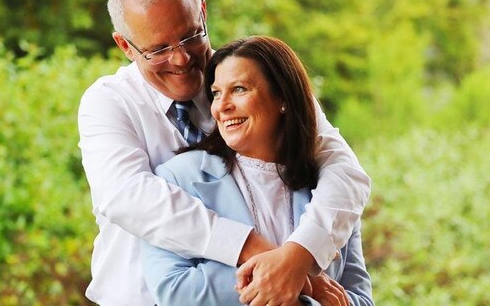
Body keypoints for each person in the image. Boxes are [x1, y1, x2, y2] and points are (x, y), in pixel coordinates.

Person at [78, 0, 371, 306]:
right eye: (158, 49)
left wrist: (299, 256)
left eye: (190, 35)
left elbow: (344, 170)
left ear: (203, 13)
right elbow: (129, 197)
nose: (181, 58)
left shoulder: (261, 74)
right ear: (125, 46)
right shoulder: (109, 102)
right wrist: (277, 264)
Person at [141, 36, 374, 306]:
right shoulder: (180, 177)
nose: (222, 106)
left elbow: (359, 299)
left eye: (239, 89)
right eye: (216, 93)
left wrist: (293, 286)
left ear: (283, 98)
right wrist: (301, 284)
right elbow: (174, 290)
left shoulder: (330, 190)